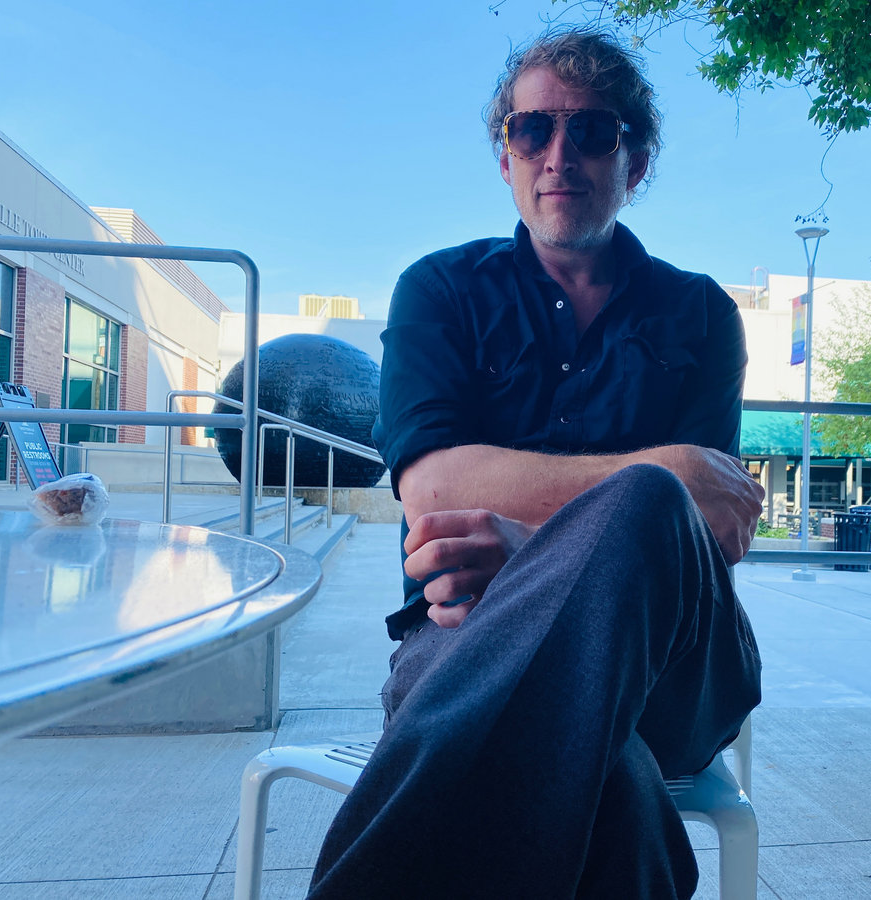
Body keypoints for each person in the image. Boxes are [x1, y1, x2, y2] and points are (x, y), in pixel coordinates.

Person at [306, 27, 764, 900]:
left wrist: (537, 549)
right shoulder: (440, 290)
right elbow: (432, 486)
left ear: (635, 162)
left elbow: (713, 522)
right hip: (460, 632)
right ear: (506, 155)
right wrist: (643, 495)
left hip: (674, 667)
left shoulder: (703, 313)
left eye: (591, 131)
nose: (560, 154)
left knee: (648, 501)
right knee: (610, 778)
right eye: (533, 129)